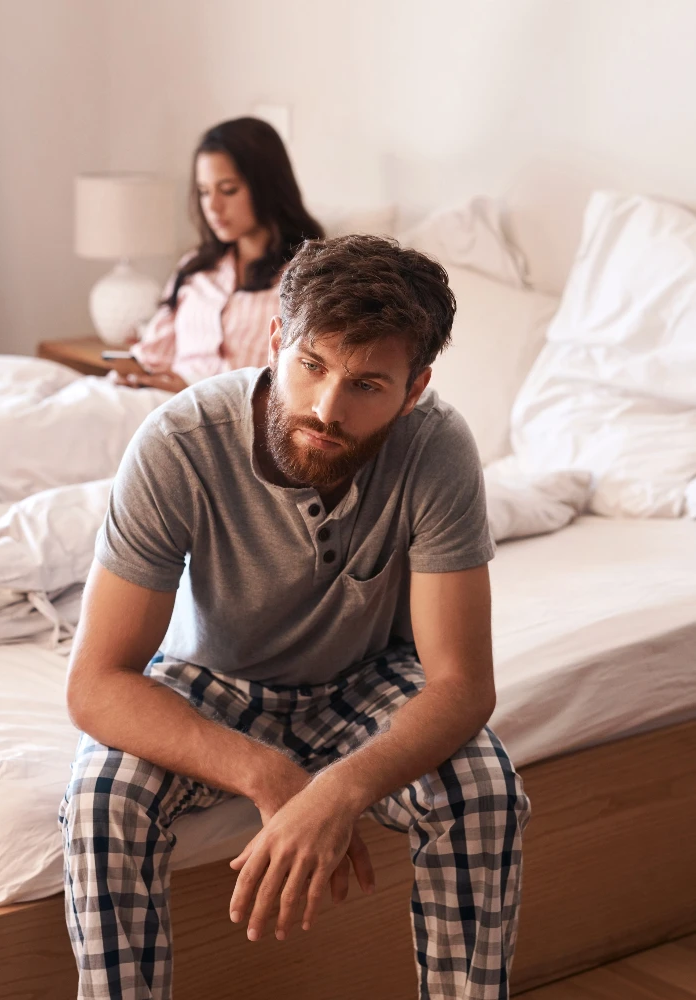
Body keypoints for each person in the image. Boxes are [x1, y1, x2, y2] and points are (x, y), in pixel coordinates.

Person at [60, 234, 531, 1000]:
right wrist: (271, 776)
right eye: (312, 365)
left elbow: (462, 685)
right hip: (208, 679)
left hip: (365, 679)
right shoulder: (178, 445)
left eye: (368, 385)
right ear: (276, 341)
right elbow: (96, 686)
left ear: (414, 390)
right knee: (99, 801)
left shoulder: (437, 448)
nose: (327, 408)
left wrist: (338, 792)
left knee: (484, 794)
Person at [109, 116, 323, 393]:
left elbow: (297, 386)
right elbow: (151, 355)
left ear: (267, 187)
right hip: (152, 399)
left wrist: (188, 389)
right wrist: (132, 373)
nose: (213, 206)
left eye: (228, 190)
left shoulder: (307, 278)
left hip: (208, 410)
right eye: (204, 192)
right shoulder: (195, 267)